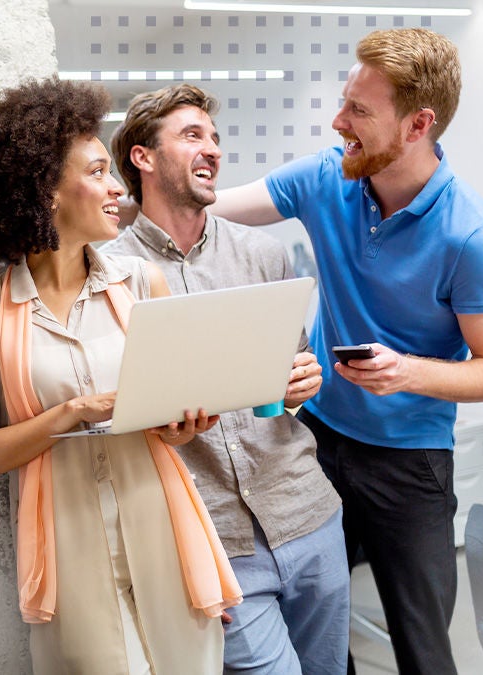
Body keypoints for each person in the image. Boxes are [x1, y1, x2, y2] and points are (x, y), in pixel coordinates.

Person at [207, 28, 483, 675]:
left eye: (359, 111)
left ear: (418, 123)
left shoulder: (469, 236)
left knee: (423, 649)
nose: (339, 122)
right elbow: (213, 210)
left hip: (409, 463)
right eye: (345, 101)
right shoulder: (325, 176)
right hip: (317, 442)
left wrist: (407, 371)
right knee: (318, 624)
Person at [0, 77, 239, 675]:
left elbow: (175, 421)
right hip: (67, 543)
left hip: (161, 522)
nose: (116, 189)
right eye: (97, 172)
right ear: (45, 192)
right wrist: (69, 414)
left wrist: (186, 423)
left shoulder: (141, 284)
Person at [101, 83, 349, 674]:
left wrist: (299, 386)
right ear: (143, 157)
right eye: (192, 136)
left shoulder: (263, 256)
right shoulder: (109, 272)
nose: (211, 149)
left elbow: (288, 378)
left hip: (305, 514)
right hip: (213, 537)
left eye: (214, 138)